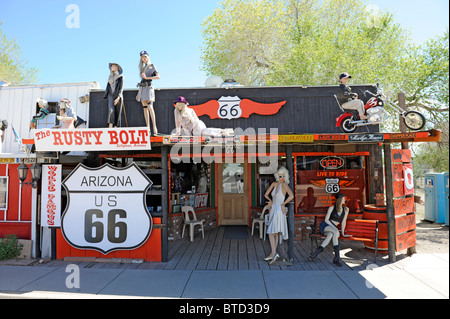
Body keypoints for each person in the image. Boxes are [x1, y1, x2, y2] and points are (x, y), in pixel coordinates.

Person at [308, 193, 350, 266]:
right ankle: (337, 259)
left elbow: (343, 222)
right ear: (339, 200)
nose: (344, 200)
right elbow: (326, 220)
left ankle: (314, 255)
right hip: (326, 225)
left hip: (332, 229)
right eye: (343, 199)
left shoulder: (346, 209)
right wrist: (335, 229)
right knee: (335, 232)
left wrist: (343, 233)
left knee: (331, 234)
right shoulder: (331, 208)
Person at [264, 166, 294, 265]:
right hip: (273, 209)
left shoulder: (284, 185)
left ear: (285, 177)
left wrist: (283, 204)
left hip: (279, 210)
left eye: (283, 176)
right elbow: (266, 194)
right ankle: (273, 253)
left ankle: (273, 253)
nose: (281, 177)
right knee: (274, 232)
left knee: (271, 231)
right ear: (277, 176)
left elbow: (291, 196)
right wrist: (270, 201)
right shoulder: (274, 183)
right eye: (280, 175)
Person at [136, 50, 160, 135]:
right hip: (142, 88)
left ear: (148, 57)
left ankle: (155, 128)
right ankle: (148, 129)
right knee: (145, 109)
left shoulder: (151, 66)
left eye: (145, 57)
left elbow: (158, 77)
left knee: (150, 107)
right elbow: (142, 80)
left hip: (149, 87)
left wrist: (148, 78)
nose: (144, 58)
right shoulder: (142, 68)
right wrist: (138, 93)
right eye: (142, 57)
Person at [104, 63, 124, 128]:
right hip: (110, 94)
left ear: (117, 68)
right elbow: (108, 87)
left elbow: (121, 88)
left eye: (114, 66)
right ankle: (110, 127)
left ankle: (115, 128)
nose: (112, 67)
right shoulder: (110, 77)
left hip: (118, 95)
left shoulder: (121, 77)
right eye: (111, 66)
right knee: (111, 110)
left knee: (118, 112)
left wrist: (118, 97)